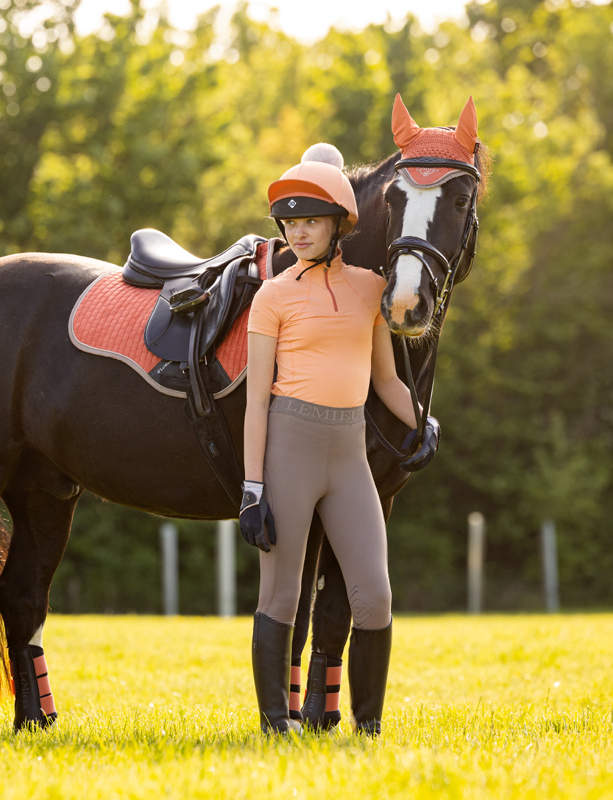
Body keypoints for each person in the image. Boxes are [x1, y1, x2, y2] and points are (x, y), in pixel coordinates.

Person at [239, 143, 440, 735]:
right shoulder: (272, 295)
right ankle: (277, 724)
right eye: (290, 223)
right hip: (290, 449)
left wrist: (423, 421)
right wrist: (254, 487)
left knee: (374, 597)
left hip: (349, 453)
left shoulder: (368, 290)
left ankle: (368, 726)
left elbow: (386, 380)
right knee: (280, 596)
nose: (298, 233)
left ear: (339, 225)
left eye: (310, 221)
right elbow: (256, 401)